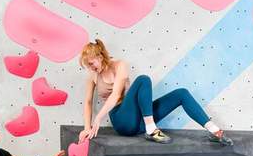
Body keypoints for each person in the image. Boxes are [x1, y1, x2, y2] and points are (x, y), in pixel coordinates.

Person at [78, 39, 233, 145]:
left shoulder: (120, 65)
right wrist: (87, 127)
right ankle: (152, 130)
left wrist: (98, 118)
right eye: (88, 65)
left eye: (91, 63)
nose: (91, 67)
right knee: (143, 79)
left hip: (139, 121)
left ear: (99, 56)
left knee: (182, 93)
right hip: (121, 120)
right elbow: (88, 102)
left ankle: (215, 131)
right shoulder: (92, 76)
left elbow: (117, 93)